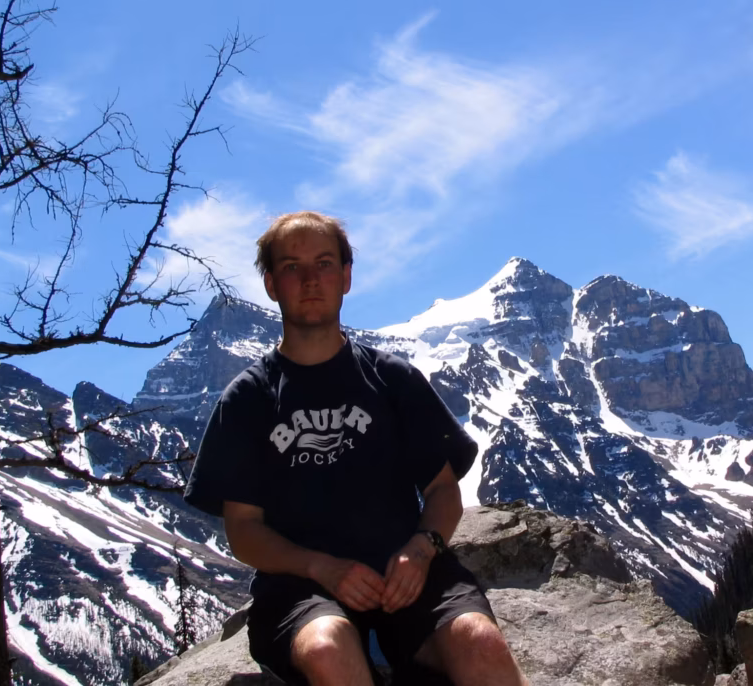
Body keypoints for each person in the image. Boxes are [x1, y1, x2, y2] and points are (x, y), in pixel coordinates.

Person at [184, 211, 529, 686]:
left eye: (324, 263)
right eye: (292, 267)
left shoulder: (392, 378)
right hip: (299, 589)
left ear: (346, 277)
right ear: (271, 284)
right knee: (328, 649)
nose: (310, 279)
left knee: (480, 644)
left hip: (406, 575)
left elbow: (443, 489)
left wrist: (421, 550)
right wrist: (321, 567)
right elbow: (243, 530)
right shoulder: (248, 398)